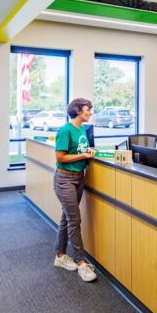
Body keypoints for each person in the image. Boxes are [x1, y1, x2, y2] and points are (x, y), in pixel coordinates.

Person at [53, 98, 97, 282]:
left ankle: (60, 256)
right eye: (88, 110)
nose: (90, 113)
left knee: (66, 218)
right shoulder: (65, 130)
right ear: (78, 111)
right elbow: (60, 157)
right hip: (64, 180)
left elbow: (81, 149)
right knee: (74, 220)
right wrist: (83, 154)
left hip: (79, 178)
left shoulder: (82, 130)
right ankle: (81, 263)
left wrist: (89, 151)